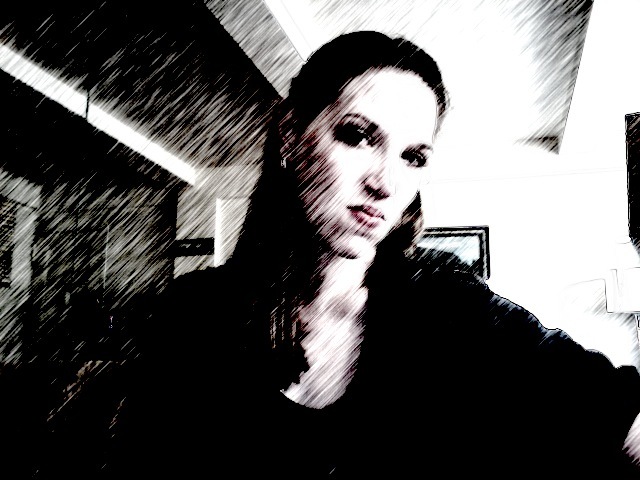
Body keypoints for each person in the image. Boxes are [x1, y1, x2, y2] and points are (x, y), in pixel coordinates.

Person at [42, 30, 640, 478]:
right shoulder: (189, 316)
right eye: (357, 136)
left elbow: (612, 413)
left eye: (413, 157)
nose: (386, 182)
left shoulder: (446, 306)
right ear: (290, 136)